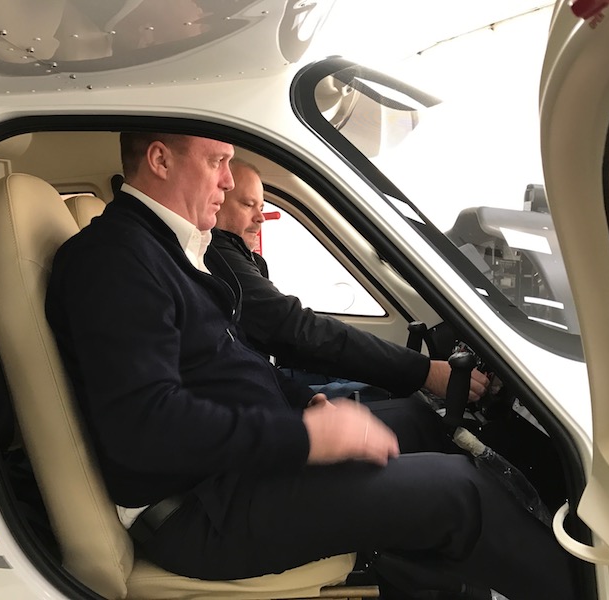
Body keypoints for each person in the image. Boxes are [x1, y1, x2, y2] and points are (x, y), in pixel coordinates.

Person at [45, 132, 578, 599]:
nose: (228, 181)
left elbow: (235, 364)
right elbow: (146, 427)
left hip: (236, 472)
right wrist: (305, 436)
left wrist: (305, 404)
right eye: (217, 162)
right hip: (200, 510)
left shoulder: (167, 250)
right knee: (460, 492)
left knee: (420, 421)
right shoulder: (114, 259)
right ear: (160, 160)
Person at [210, 158, 488, 404]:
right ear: (216, 201)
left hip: (266, 378)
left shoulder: (238, 257)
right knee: (414, 416)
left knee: (381, 391)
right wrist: (423, 371)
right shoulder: (219, 257)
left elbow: (287, 337)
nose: (260, 217)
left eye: (261, 206)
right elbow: (291, 326)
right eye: (248, 204)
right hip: (256, 395)